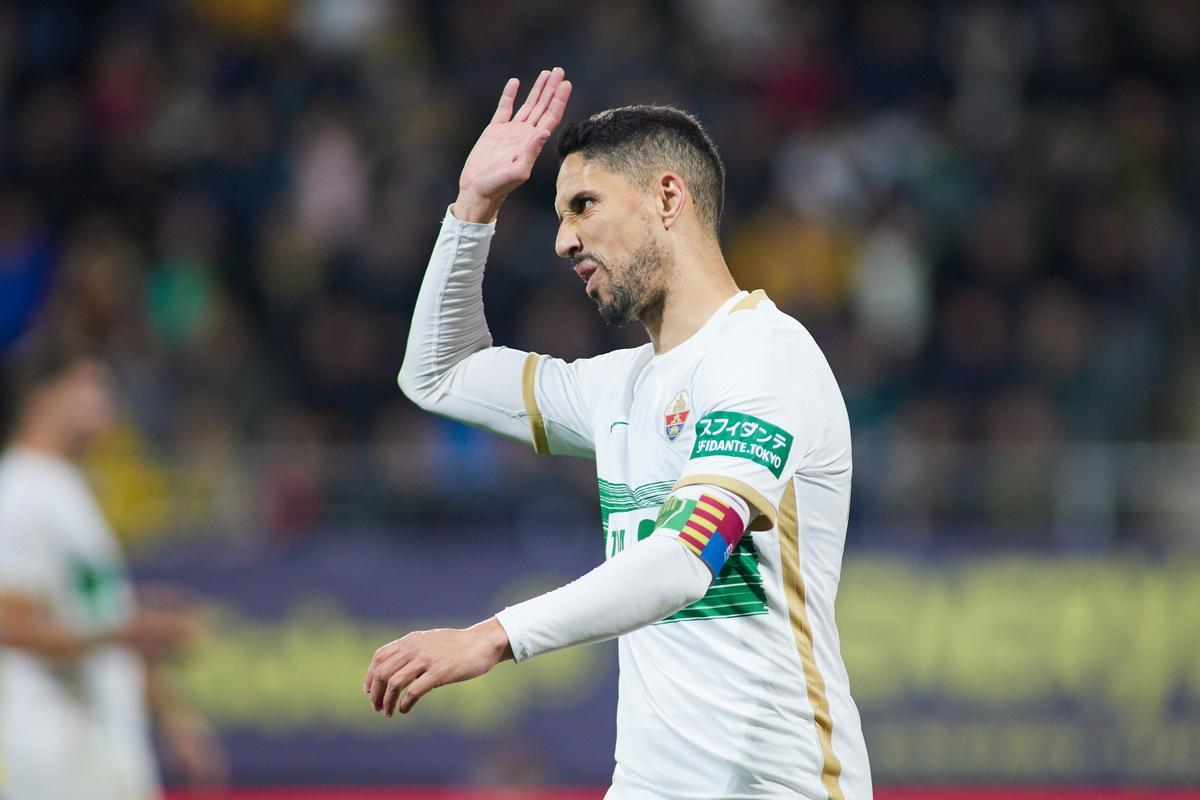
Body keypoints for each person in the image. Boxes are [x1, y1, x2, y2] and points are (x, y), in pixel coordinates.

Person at [364, 67, 872, 800]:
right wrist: (472, 207)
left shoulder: (765, 356)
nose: (564, 241)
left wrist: (491, 636)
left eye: (585, 206)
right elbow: (437, 374)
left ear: (668, 197)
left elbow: (681, 562)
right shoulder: (619, 389)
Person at [0, 345, 227, 800]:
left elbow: (89, 612)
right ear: (43, 396)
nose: (105, 400)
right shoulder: (21, 488)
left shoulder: (66, 487)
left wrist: (172, 715)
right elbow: (10, 622)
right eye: (88, 385)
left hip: (97, 747)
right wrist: (127, 628)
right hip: (50, 754)